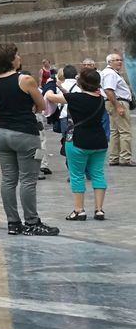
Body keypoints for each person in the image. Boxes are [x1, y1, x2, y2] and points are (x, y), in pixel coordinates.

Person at [0, 42, 58, 237]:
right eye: (17, 55)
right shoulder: (25, 80)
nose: (19, 58)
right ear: (11, 59)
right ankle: (32, 221)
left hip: (2, 133)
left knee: (8, 179)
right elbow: (42, 105)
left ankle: (13, 222)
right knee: (28, 179)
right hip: (25, 133)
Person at [48, 67, 108, 221]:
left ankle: (79, 210)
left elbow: (52, 97)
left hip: (78, 141)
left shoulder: (75, 98)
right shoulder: (100, 98)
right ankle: (99, 210)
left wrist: (49, 86)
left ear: (81, 83)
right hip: (99, 141)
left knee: (77, 175)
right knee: (98, 174)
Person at [101, 51, 133, 166]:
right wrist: (118, 106)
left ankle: (114, 157)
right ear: (109, 62)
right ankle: (125, 158)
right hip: (118, 102)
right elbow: (108, 90)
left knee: (115, 131)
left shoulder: (109, 72)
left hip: (112, 102)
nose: (120, 62)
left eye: (120, 60)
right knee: (125, 131)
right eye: (116, 60)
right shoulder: (110, 73)